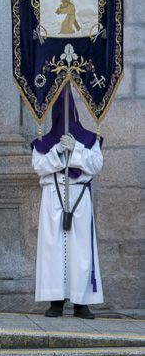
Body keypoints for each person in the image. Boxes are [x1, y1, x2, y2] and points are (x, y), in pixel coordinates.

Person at [31, 88, 103, 319]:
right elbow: (39, 167)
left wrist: (76, 148)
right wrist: (57, 151)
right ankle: (56, 302)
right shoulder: (44, 141)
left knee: (80, 250)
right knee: (53, 249)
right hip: (53, 197)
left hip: (79, 198)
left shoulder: (89, 140)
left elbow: (95, 166)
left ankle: (82, 304)